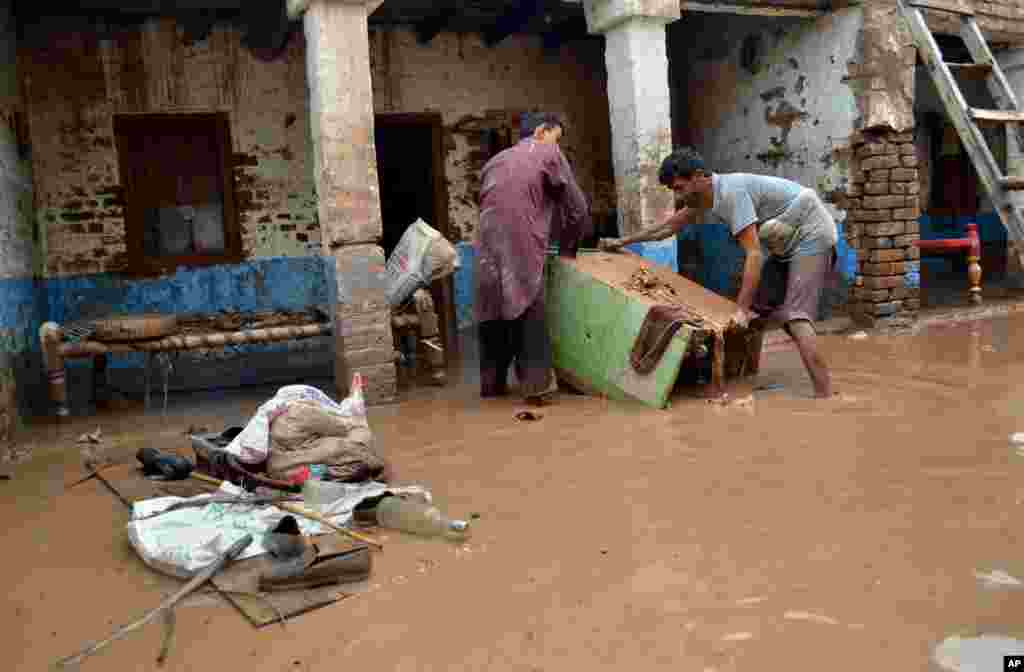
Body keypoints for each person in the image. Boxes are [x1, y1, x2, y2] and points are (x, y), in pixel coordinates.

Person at [599, 147, 837, 398]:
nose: (678, 196)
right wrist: (622, 242)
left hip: (812, 233)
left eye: (680, 188)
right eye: (673, 190)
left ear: (700, 177)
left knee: (795, 316)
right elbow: (667, 228)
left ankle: (825, 396)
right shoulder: (704, 199)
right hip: (786, 242)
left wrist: (741, 310)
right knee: (760, 307)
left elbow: (753, 254)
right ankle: (740, 379)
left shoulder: (731, 193)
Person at [475, 112, 591, 405]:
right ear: (542, 131)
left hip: (486, 245)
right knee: (528, 301)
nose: (558, 144)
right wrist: (568, 249)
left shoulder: (495, 161)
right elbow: (577, 210)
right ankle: (538, 388)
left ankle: (492, 385)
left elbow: (500, 201)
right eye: (558, 136)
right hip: (520, 241)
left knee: (493, 306)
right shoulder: (548, 151)